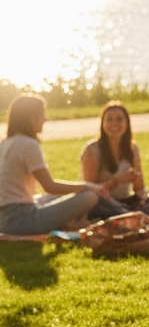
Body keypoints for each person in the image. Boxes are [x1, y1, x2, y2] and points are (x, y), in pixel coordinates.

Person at [0, 94, 104, 236]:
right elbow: (50, 186)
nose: (45, 119)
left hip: (4, 218)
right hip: (23, 220)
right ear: (32, 118)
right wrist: (86, 186)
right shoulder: (28, 144)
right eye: (42, 115)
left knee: (53, 197)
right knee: (89, 196)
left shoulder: (5, 143)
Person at [80, 101, 149, 216]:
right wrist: (117, 181)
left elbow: (139, 190)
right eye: (109, 119)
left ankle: (133, 215)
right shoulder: (92, 150)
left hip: (126, 202)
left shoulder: (132, 148)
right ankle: (131, 215)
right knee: (123, 212)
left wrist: (136, 180)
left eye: (119, 119)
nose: (114, 124)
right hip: (102, 205)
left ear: (127, 123)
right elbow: (90, 191)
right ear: (102, 123)